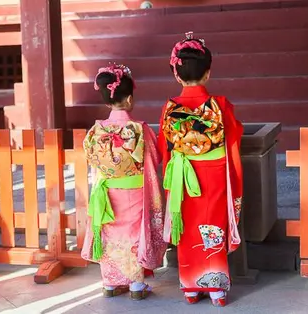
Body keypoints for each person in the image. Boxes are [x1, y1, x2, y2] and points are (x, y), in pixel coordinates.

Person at [158, 32, 244, 307]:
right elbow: (234, 137)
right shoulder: (220, 105)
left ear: (177, 75)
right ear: (208, 73)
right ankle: (217, 290)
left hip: (184, 176)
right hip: (215, 173)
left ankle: (190, 288)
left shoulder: (170, 108)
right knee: (213, 226)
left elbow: (165, 148)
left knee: (188, 227)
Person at [81, 63, 167, 300]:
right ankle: (136, 286)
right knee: (133, 234)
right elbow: (155, 155)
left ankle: (110, 283)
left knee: (110, 233)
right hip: (135, 190)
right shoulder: (139, 129)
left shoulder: (96, 131)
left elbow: (92, 159)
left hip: (107, 191)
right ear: (129, 99)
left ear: (106, 101)